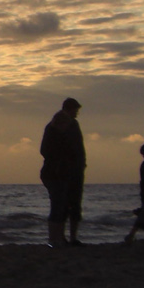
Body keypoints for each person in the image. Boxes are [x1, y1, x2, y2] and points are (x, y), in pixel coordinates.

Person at [39, 97, 86, 247]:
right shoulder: (54, 129)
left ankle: (64, 238)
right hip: (59, 172)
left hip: (71, 171)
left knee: (69, 205)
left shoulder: (73, 125)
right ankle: (55, 239)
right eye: (75, 110)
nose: (76, 114)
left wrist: (79, 164)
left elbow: (78, 148)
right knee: (59, 205)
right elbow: (46, 150)